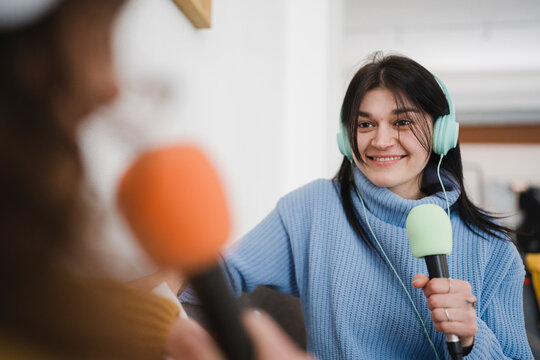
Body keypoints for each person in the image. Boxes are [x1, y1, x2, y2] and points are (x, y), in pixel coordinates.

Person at [0, 0, 310, 359]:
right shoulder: (306, 210)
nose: (109, 86)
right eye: (93, 34)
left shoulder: (28, 282)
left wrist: (161, 322)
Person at [181, 53, 534, 359]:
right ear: (346, 138)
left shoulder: (494, 249)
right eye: (365, 124)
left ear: (443, 132)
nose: (381, 141)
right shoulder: (313, 209)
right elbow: (204, 281)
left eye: (402, 122)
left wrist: (472, 339)